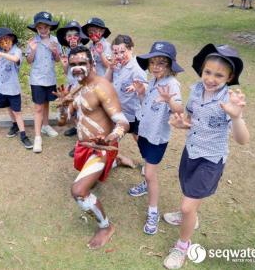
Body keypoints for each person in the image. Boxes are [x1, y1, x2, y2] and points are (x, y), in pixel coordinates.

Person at [162, 44, 249, 269]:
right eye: (207, 72)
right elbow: (190, 118)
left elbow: (242, 140)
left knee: (187, 206)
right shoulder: (196, 90)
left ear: (230, 77)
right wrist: (182, 124)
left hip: (210, 160)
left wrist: (237, 117)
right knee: (186, 192)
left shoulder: (228, 100)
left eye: (219, 75)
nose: (211, 78)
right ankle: (190, 217)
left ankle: (182, 246)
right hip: (191, 152)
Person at [59, 46, 129, 250]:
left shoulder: (102, 87)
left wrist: (110, 139)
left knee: (79, 191)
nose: (77, 68)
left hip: (101, 148)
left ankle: (105, 227)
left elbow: (123, 123)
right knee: (91, 181)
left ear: (91, 64)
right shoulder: (75, 88)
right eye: (73, 64)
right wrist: (63, 105)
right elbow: (63, 122)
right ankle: (116, 162)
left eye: (82, 63)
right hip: (84, 146)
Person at [128, 41, 184, 235]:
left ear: (170, 65)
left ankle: (153, 211)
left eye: (161, 63)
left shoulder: (172, 84)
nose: (155, 67)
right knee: (146, 164)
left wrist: (170, 100)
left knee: (151, 173)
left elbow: (179, 109)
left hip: (157, 137)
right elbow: (147, 103)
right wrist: (142, 93)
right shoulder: (152, 81)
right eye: (152, 62)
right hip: (145, 131)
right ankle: (145, 184)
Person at [104, 34, 147, 170]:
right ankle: (112, 159)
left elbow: (145, 87)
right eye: (116, 52)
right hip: (118, 111)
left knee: (139, 138)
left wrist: (137, 87)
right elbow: (105, 81)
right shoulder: (115, 65)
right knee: (113, 137)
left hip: (134, 112)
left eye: (123, 51)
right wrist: (110, 67)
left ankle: (147, 163)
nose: (119, 55)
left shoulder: (136, 68)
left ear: (131, 49)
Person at [26, 11, 62, 153]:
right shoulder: (33, 41)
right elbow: (29, 61)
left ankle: (45, 125)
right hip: (37, 79)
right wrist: (33, 50)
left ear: (50, 28)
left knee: (47, 103)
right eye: (40, 27)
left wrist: (55, 51)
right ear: (36, 28)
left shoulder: (55, 41)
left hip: (50, 78)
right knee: (38, 108)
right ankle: (37, 137)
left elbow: (58, 60)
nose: (43, 30)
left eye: (46, 27)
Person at [56, 21, 89, 143]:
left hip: (81, 86)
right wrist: (64, 64)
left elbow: (86, 69)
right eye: (69, 36)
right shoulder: (67, 50)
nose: (72, 38)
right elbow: (67, 72)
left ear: (80, 37)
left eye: (75, 35)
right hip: (71, 84)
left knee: (82, 111)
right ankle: (76, 128)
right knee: (73, 110)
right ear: (65, 38)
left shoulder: (84, 49)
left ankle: (82, 139)